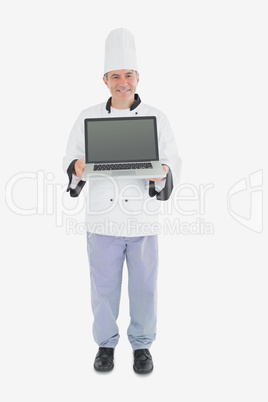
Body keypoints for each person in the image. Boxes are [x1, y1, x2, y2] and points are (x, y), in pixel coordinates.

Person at [63, 28, 181, 374]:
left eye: (128, 75)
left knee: (145, 288)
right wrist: (76, 167)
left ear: (137, 78)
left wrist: (164, 173)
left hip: (142, 221)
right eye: (116, 76)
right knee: (103, 289)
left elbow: (173, 160)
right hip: (102, 221)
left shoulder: (157, 117)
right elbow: (72, 157)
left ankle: (142, 346)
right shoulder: (87, 116)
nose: (123, 82)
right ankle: (105, 345)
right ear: (105, 80)